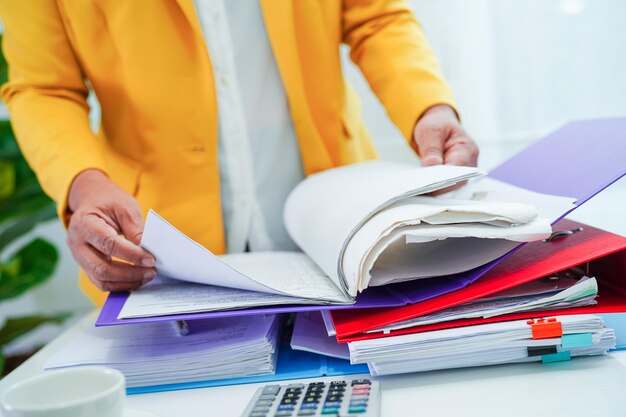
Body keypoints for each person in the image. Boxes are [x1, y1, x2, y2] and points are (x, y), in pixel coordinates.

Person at [0, 0, 478, 306]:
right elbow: (44, 87)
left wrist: (428, 108)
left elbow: (375, 16)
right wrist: (85, 185)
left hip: (335, 235)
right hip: (159, 251)